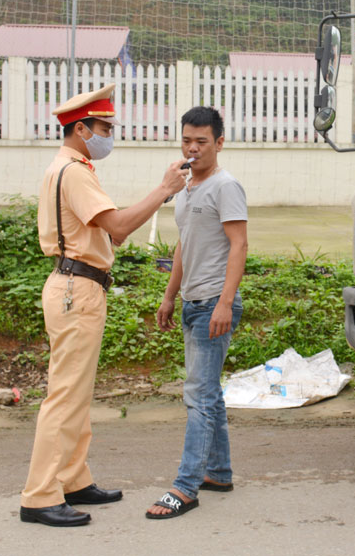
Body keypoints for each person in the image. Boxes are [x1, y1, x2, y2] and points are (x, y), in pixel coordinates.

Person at [20, 84, 190, 527]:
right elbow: (117, 224)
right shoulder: (74, 171)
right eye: (104, 127)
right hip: (77, 289)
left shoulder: (75, 167)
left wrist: (150, 202)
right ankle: (40, 496)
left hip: (79, 286)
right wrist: (164, 189)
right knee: (64, 396)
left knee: (76, 394)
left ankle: (73, 479)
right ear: (81, 129)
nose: (109, 135)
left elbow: (112, 234)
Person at [146, 106, 248, 520]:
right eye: (187, 140)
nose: (192, 148)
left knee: (198, 396)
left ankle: (185, 487)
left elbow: (239, 246)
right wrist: (170, 296)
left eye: (201, 141)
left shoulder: (226, 186)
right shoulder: (186, 191)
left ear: (219, 143)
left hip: (213, 304)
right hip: (191, 303)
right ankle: (218, 473)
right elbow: (183, 247)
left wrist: (225, 302)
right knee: (209, 394)